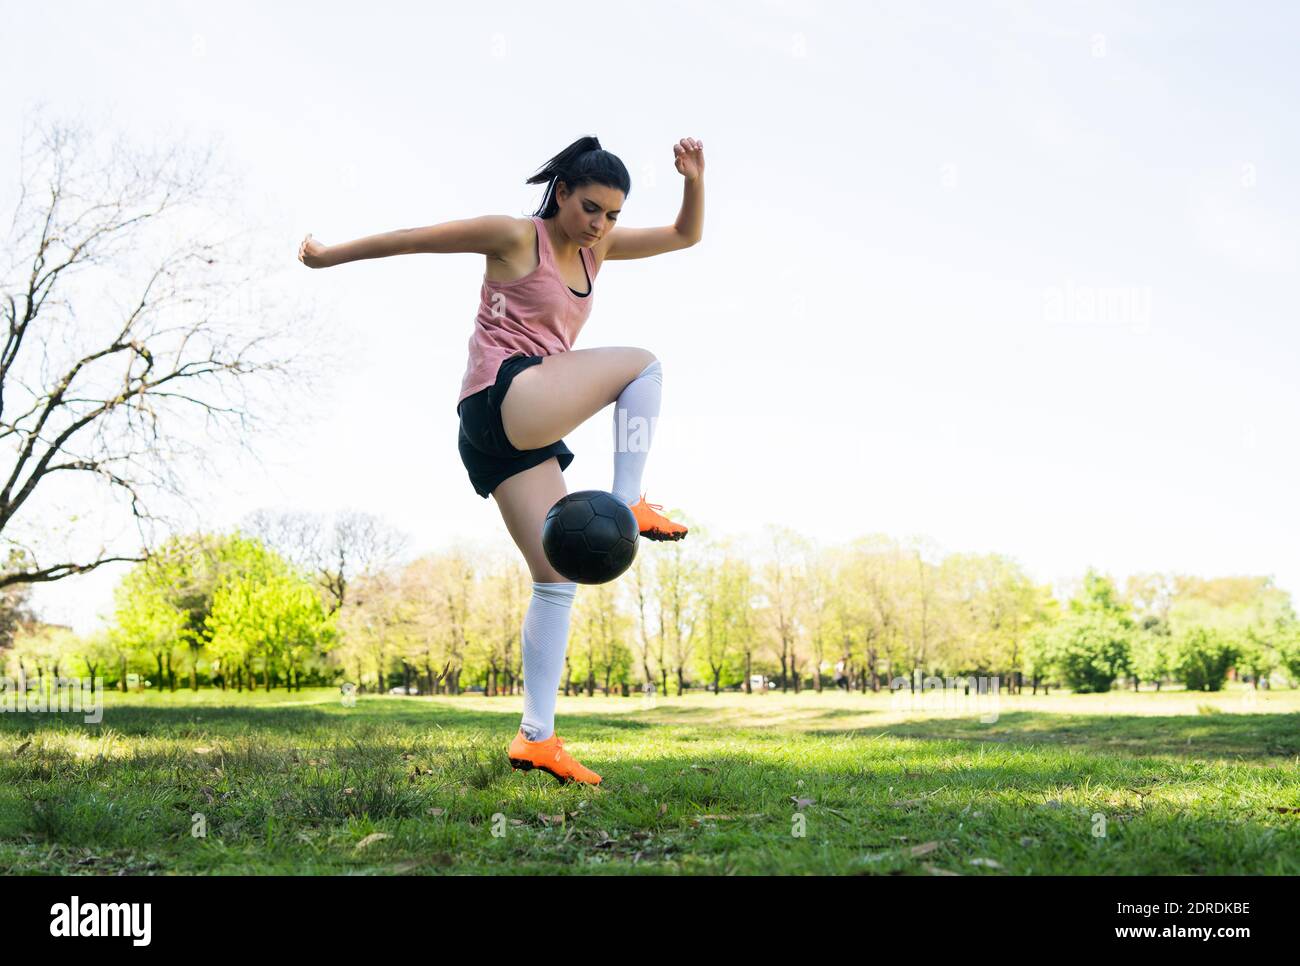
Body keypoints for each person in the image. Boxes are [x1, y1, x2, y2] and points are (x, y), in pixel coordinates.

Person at [297, 135, 705, 784]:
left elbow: (686, 236)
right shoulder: (516, 236)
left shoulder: (598, 250)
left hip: (507, 432)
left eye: (612, 216)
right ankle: (630, 499)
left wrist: (693, 178)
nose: (599, 225)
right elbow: (414, 237)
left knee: (555, 577)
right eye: (590, 208)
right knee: (643, 367)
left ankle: (535, 738)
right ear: (562, 192)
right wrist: (328, 257)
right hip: (504, 394)